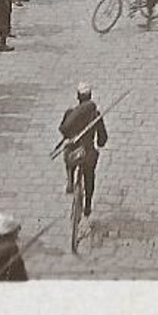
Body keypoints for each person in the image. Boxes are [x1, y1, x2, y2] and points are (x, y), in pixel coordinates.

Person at [59, 83, 108, 218]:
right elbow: (103, 137)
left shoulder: (70, 113)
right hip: (87, 153)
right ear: (90, 96)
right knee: (89, 175)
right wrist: (99, 143)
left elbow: (63, 131)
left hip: (74, 154)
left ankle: (70, 177)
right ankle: (87, 205)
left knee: (67, 153)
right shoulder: (95, 115)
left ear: (78, 97)